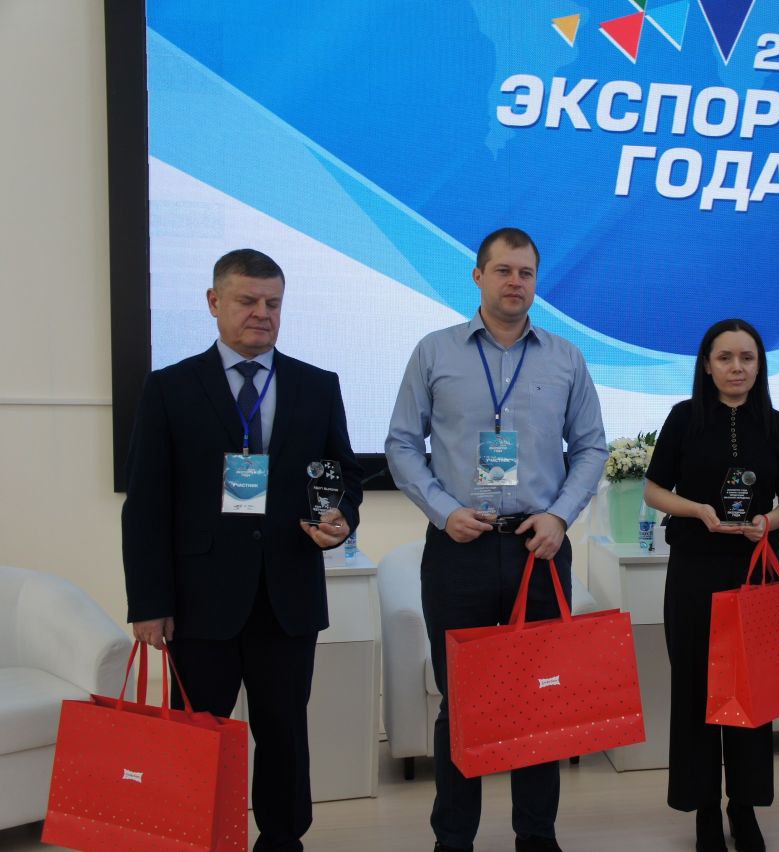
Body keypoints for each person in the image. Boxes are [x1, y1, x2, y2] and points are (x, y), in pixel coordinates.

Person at [122, 248, 363, 852]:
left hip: (287, 596)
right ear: (214, 302)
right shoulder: (170, 387)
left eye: (272, 303)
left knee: (284, 735)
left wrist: (340, 518)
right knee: (197, 734)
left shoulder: (316, 385)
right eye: (247, 301)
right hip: (198, 601)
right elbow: (146, 504)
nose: (262, 313)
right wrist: (148, 602)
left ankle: (282, 840)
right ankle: (193, 838)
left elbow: (340, 473)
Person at [385, 227, 607, 852]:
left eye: (526, 273)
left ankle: (536, 836)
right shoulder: (434, 352)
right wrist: (443, 511)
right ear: (478, 276)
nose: (516, 282)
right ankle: (453, 838)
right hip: (459, 549)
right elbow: (402, 444)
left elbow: (591, 447)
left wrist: (560, 516)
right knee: (462, 702)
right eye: (504, 270)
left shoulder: (565, 357)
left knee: (540, 700)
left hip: (540, 548)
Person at [643, 318, 779, 852]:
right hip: (694, 571)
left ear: (760, 366)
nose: (737, 368)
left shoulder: (775, 424)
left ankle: (745, 807)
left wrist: (768, 522)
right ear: (707, 365)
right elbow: (653, 491)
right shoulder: (684, 417)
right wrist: (698, 511)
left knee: (750, 693)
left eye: (747, 358)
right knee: (696, 690)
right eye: (725, 358)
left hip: (753, 572)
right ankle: (705, 810)